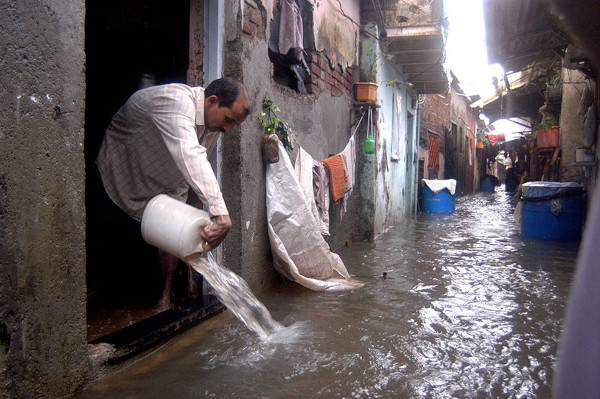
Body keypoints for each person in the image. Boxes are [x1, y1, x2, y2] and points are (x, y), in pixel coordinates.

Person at [96, 77, 250, 310]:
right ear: (212, 101)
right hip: (124, 169)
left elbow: (195, 164)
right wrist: (220, 213)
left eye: (233, 125)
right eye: (228, 120)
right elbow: (191, 154)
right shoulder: (177, 102)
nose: (227, 129)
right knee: (105, 238)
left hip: (167, 178)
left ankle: (164, 299)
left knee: (171, 239)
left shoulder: (213, 125)